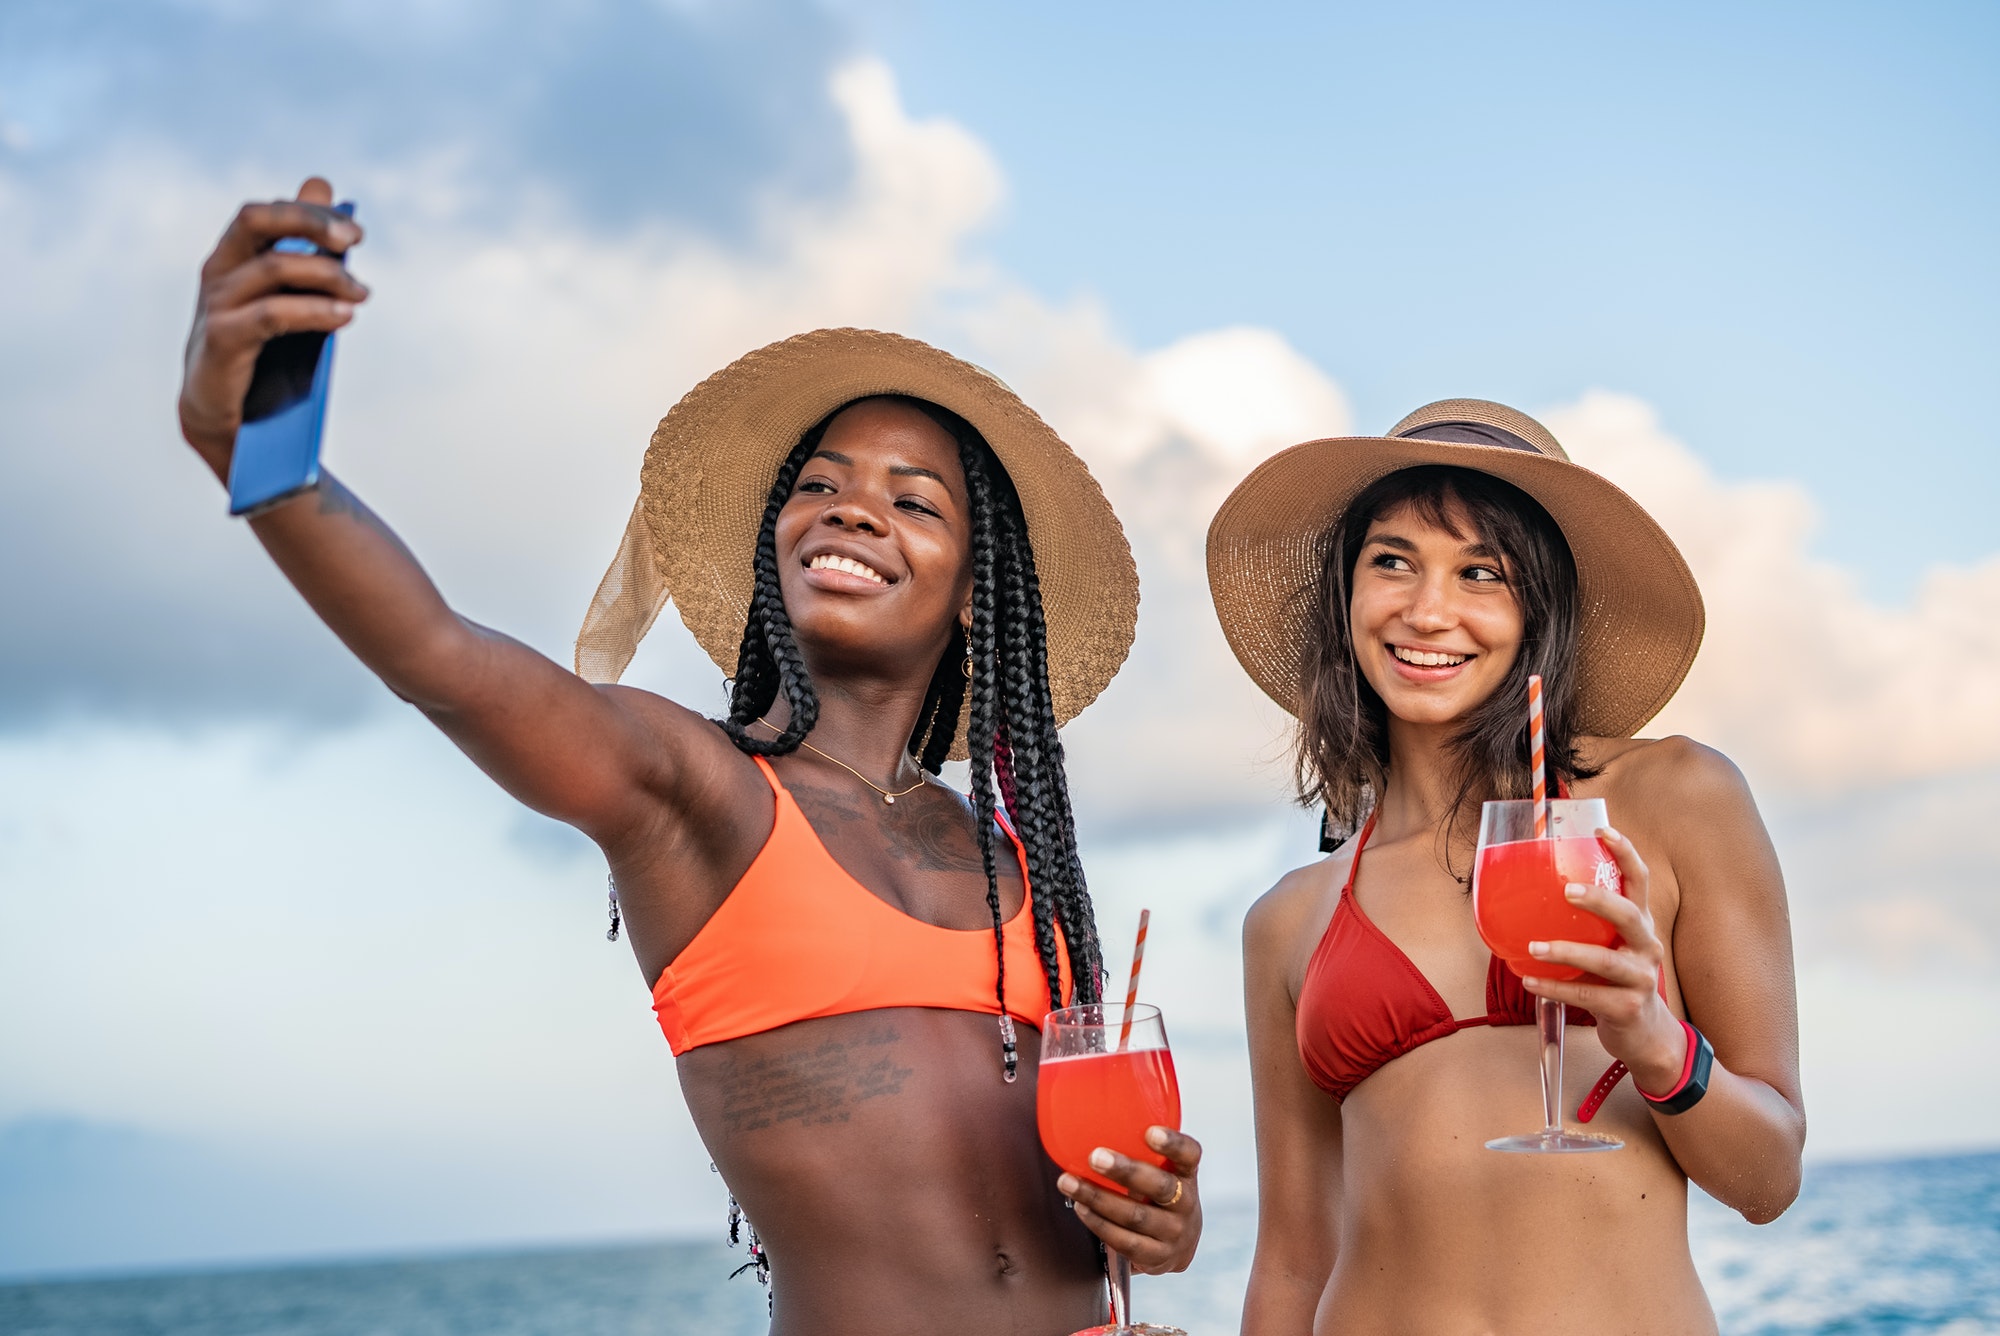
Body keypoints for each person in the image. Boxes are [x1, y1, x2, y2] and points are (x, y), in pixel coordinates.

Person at [176, 178, 1203, 1335]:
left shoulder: (1013, 854)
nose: (851, 509)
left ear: (977, 594)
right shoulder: (692, 789)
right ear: (775, 546)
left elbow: (1081, 1193)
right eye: (816, 485)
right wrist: (249, 445)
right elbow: (440, 658)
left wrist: (1158, 1221)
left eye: (912, 502)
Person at [1207, 400, 1804, 1333]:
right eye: (1391, 561)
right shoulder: (1285, 921)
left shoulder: (1674, 799)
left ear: (1539, 610)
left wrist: (1655, 1042)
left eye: (1481, 571)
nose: (1426, 608)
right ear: (1346, 596)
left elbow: (1769, 1180)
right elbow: (1290, 1263)